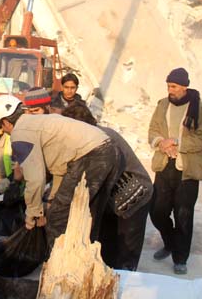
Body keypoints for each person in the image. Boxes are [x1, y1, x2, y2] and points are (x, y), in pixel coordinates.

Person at [0, 95, 122, 252]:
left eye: (2, 128)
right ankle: (84, 262)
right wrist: (49, 201)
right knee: (87, 216)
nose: (4, 132)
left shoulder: (20, 133)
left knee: (58, 219)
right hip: (107, 150)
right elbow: (61, 166)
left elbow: (35, 179)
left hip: (92, 156)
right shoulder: (36, 122)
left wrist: (33, 214)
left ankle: (58, 268)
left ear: (5, 122)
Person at [61, 104, 152, 271]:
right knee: (106, 249)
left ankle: (124, 285)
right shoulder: (90, 139)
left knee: (126, 251)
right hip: (114, 198)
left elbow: (97, 182)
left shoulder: (103, 140)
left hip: (134, 194)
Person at [148, 67, 202, 275]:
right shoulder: (162, 105)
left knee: (183, 214)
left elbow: (200, 139)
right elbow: (153, 131)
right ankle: (170, 242)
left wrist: (176, 142)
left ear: (184, 86)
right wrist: (161, 143)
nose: (170, 90)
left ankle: (180, 257)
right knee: (157, 211)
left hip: (187, 168)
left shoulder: (199, 108)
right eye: (168, 86)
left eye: (173, 86)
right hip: (165, 165)